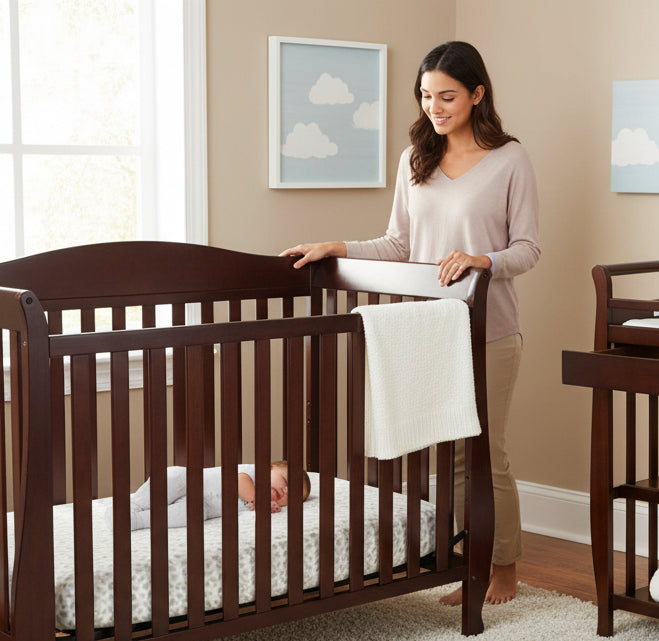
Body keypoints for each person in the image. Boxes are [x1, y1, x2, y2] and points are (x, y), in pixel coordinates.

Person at [280, 41, 540, 605]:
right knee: (442, 452)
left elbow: (528, 249)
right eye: (426, 96)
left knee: (485, 454)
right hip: (426, 331)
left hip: (489, 330)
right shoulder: (414, 159)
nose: (435, 108)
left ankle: (504, 568)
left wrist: (483, 259)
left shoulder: (510, 159)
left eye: (447, 96)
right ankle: (459, 559)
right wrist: (337, 246)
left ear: (478, 94)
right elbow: (398, 244)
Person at [126, 461, 312, 530]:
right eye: (286, 482)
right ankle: (134, 505)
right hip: (187, 481)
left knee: (194, 513)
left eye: (293, 495)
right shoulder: (253, 473)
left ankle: (139, 520)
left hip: (202, 504)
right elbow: (239, 481)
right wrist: (260, 500)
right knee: (169, 483)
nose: (286, 491)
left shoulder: (267, 505)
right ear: (269, 468)